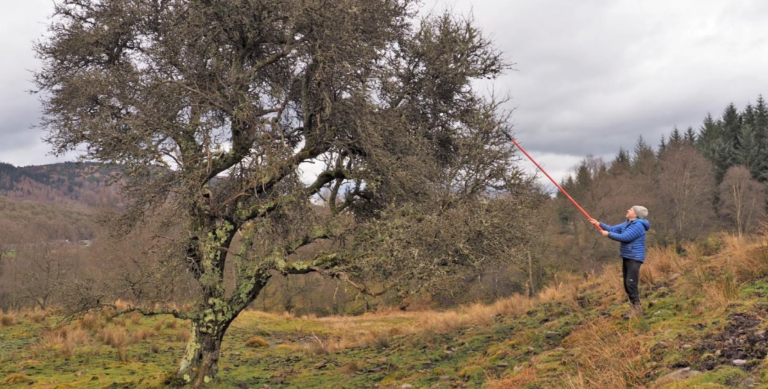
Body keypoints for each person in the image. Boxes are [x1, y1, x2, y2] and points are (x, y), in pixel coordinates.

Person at [589, 206, 650, 317]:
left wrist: (608, 234)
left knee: (631, 283)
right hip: (627, 256)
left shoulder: (638, 226)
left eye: (631, 210)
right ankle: (634, 308)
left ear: (636, 214)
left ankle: (637, 310)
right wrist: (598, 224)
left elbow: (625, 237)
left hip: (634, 258)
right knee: (626, 284)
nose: (628, 210)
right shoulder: (628, 223)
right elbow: (612, 229)